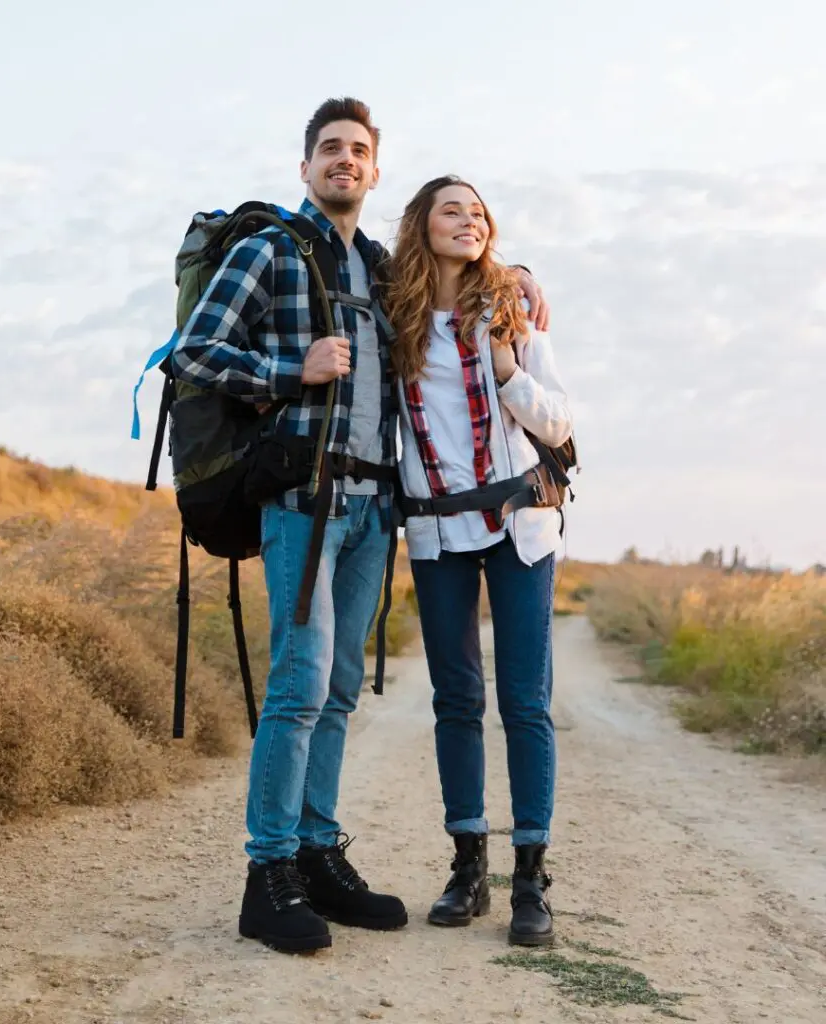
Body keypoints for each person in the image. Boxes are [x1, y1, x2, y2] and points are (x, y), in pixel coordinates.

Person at [171, 102, 548, 954]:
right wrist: (286, 368)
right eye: (331, 150)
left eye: (360, 153)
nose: (346, 161)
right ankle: (266, 877)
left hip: (375, 509)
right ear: (306, 168)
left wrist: (514, 270)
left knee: (340, 691)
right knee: (300, 686)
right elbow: (192, 352)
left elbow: (453, 277)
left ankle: (314, 854)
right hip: (303, 499)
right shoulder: (271, 250)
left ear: (376, 176)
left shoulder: (380, 268)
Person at [385, 175, 573, 947]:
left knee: (524, 701)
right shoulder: (391, 312)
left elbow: (559, 418)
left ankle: (530, 879)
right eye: (450, 210)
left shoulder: (512, 310)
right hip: (436, 535)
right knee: (456, 700)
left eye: (478, 212)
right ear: (421, 226)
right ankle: (468, 867)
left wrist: (504, 365)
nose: (468, 221)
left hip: (522, 525)